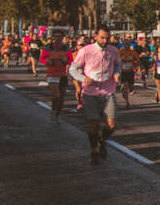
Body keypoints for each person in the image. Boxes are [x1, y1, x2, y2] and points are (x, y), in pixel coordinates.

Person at [68, 25, 121, 166]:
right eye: (102, 37)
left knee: (112, 124)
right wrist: (82, 78)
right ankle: (94, 151)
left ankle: (102, 140)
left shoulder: (113, 50)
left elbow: (117, 65)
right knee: (94, 123)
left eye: (107, 38)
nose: (105, 40)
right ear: (95, 36)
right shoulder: (86, 51)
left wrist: (117, 73)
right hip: (91, 92)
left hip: (108, 91)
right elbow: (73, 69)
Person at [40, 30, 73, 122]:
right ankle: (53, 110)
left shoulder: (66, 48)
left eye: (60, 37)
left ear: (63, 38)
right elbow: (42, 58)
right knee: (56, 96)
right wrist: (47, 62)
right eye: (56, 37)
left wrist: (66, 60)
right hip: (52, 74)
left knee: (61, 99)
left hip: (63, 74)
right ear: (53, 38)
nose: (58, 39)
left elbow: (71, 60)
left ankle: (56, 115)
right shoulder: (48, 47)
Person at [119, 43, 140, 109]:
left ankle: (125, 92)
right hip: (123, 72)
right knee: (125, 87)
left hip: (130, 72)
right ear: (123, 45)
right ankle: (127, 102)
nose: (126, 46)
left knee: (131, 87)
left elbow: (138, 61)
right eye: (125, 45)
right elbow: (116, 60)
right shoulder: (120, 52)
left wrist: (135, 66)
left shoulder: (133, 52)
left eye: (127, 45)